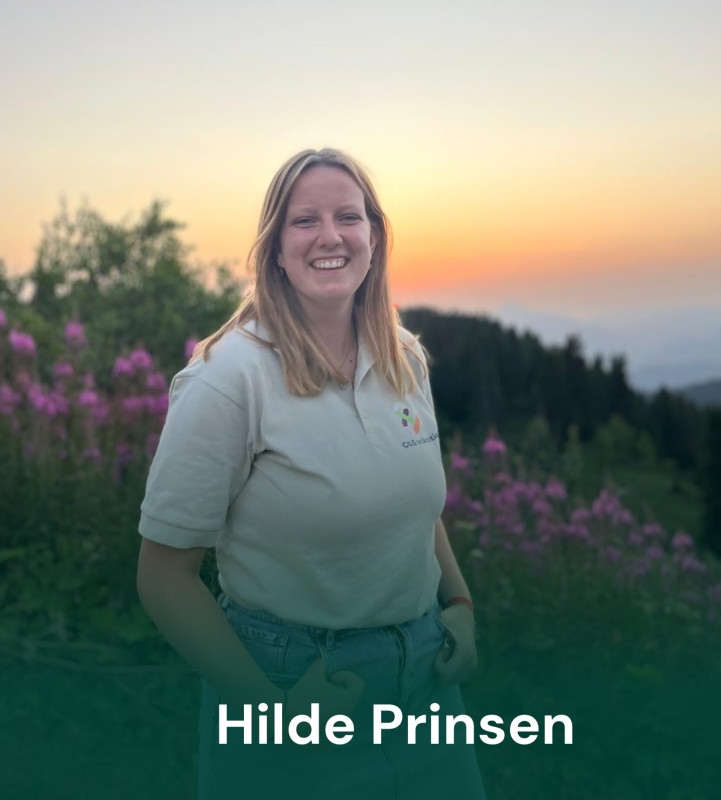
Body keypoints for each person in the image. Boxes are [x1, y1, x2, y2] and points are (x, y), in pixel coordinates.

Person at [137, 148, 487, 800]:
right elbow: (162, 577)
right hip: (294, 685)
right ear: (274, 248)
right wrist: (272, 712)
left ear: (374, 238)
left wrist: (458, 605)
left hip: (428, 688)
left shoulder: (403, 357)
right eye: (304, 221)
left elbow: (413, 508)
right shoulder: (227, 378)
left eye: (347, 216)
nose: (329, 235)